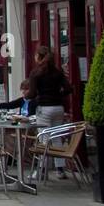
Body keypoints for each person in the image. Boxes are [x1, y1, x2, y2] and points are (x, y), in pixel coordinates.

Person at [27, 45, 73, 179]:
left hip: (44, 108)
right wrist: (59, 95)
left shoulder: (36, 73)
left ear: (39, 57)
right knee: (57, 138)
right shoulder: (57, 72)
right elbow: (69, 88)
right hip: (58, 108)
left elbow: (32, 93)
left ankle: (41, 170)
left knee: (44, 140)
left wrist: (30, 97)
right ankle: (60, 170)